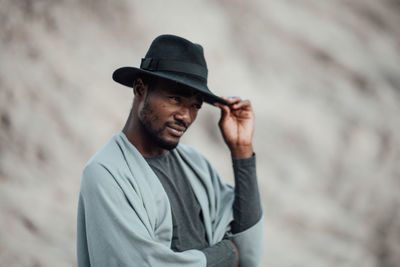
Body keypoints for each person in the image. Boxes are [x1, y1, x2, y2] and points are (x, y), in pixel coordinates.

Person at [77, 34, 263, 267]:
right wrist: (225, 254)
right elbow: (141, 263)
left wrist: (241, 150)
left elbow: (247, 242)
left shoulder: (195, 164)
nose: (185, 116)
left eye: (195, 105)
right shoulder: (105, 173)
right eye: (175, 98)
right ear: (140, 88)